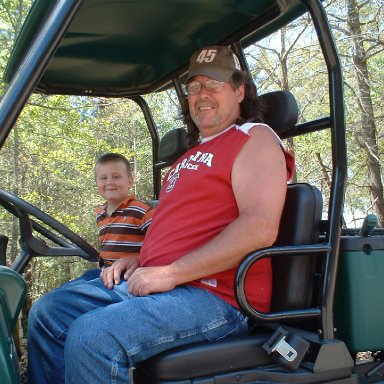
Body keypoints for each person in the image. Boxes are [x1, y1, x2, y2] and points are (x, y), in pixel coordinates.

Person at [27, 45, 294, 384]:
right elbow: (175, 231)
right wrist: (140, 260)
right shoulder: (187, 159)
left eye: (214, 84)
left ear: (239, 91)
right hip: (165, 282)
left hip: (216, 296)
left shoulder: (253, 138)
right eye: (194, 86)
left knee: (93, 337)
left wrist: (169, 272)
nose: (201, 94)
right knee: (48, 313)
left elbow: (259, 228)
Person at [59, 152, 154, 284]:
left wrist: (139, 261)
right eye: (103, 178)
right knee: (65, 289)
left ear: (130, 181)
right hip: (104, 272)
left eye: (116, 176)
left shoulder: (141, 210)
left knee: (56, 300)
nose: (110, 182)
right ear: (97, 183)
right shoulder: (100, 214)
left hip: (126, 275)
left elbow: (158, 244)